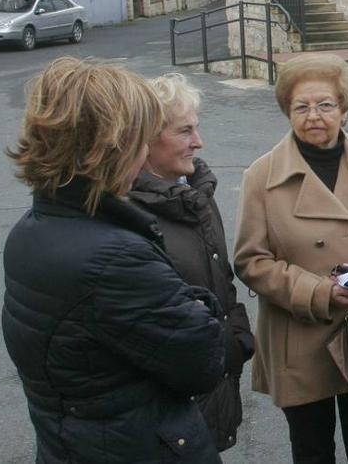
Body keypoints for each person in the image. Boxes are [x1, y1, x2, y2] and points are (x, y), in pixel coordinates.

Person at [2, 57, 226, 463]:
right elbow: (204, 362)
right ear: (111, 146)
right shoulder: (115, 257)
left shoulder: (32, 228)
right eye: (140, 139)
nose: (143, 154)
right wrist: (199, 303)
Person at [234, 53, 348, 464]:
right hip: (300, 339)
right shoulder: (261, 177)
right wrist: (320, 292)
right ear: (287, 110)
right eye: (301, 106)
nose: (313, 116)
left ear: (344, 107)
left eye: (325, 105)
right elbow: (251, 260)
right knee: (313, 450)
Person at [129, 73, 254, 452]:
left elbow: (222, 283)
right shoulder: (131, 216)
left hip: (210, 391)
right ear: (144, 140)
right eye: (184, 131)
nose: (198, 142)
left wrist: (235, 343)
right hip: (170, 414)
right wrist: (230, 347)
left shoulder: (194, 194)